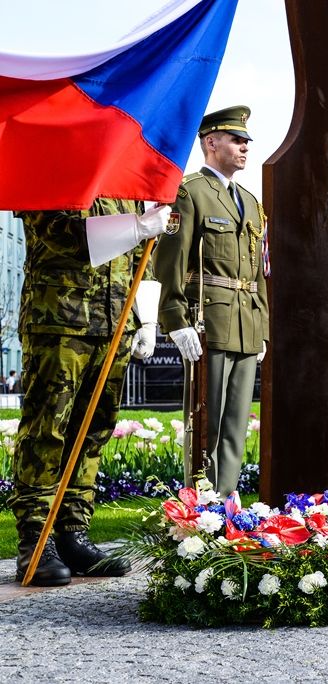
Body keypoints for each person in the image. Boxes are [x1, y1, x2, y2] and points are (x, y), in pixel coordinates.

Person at [11, 199, 166, 585]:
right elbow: (62, 235)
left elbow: (138, 259)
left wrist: (146, 319)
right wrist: (137, 226)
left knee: (93, 432)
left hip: (114, 321)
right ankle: (35, 537)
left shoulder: (125, 185)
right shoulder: (55, 168)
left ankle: (72, 533)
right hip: (60, 319)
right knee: (47, 431)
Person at [154, 106, 269, 497]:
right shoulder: (189, 193)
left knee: (236, 423)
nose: (244, 147)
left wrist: (263, 326)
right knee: (206, 421)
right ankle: (199, 506)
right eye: (237, 140)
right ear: (211, 142)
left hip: (245, 324)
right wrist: (175, 317)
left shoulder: (252, 203)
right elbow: (169, 261)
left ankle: (226, 502)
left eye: (246, 141)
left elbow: (258, 271)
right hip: (209, 322)